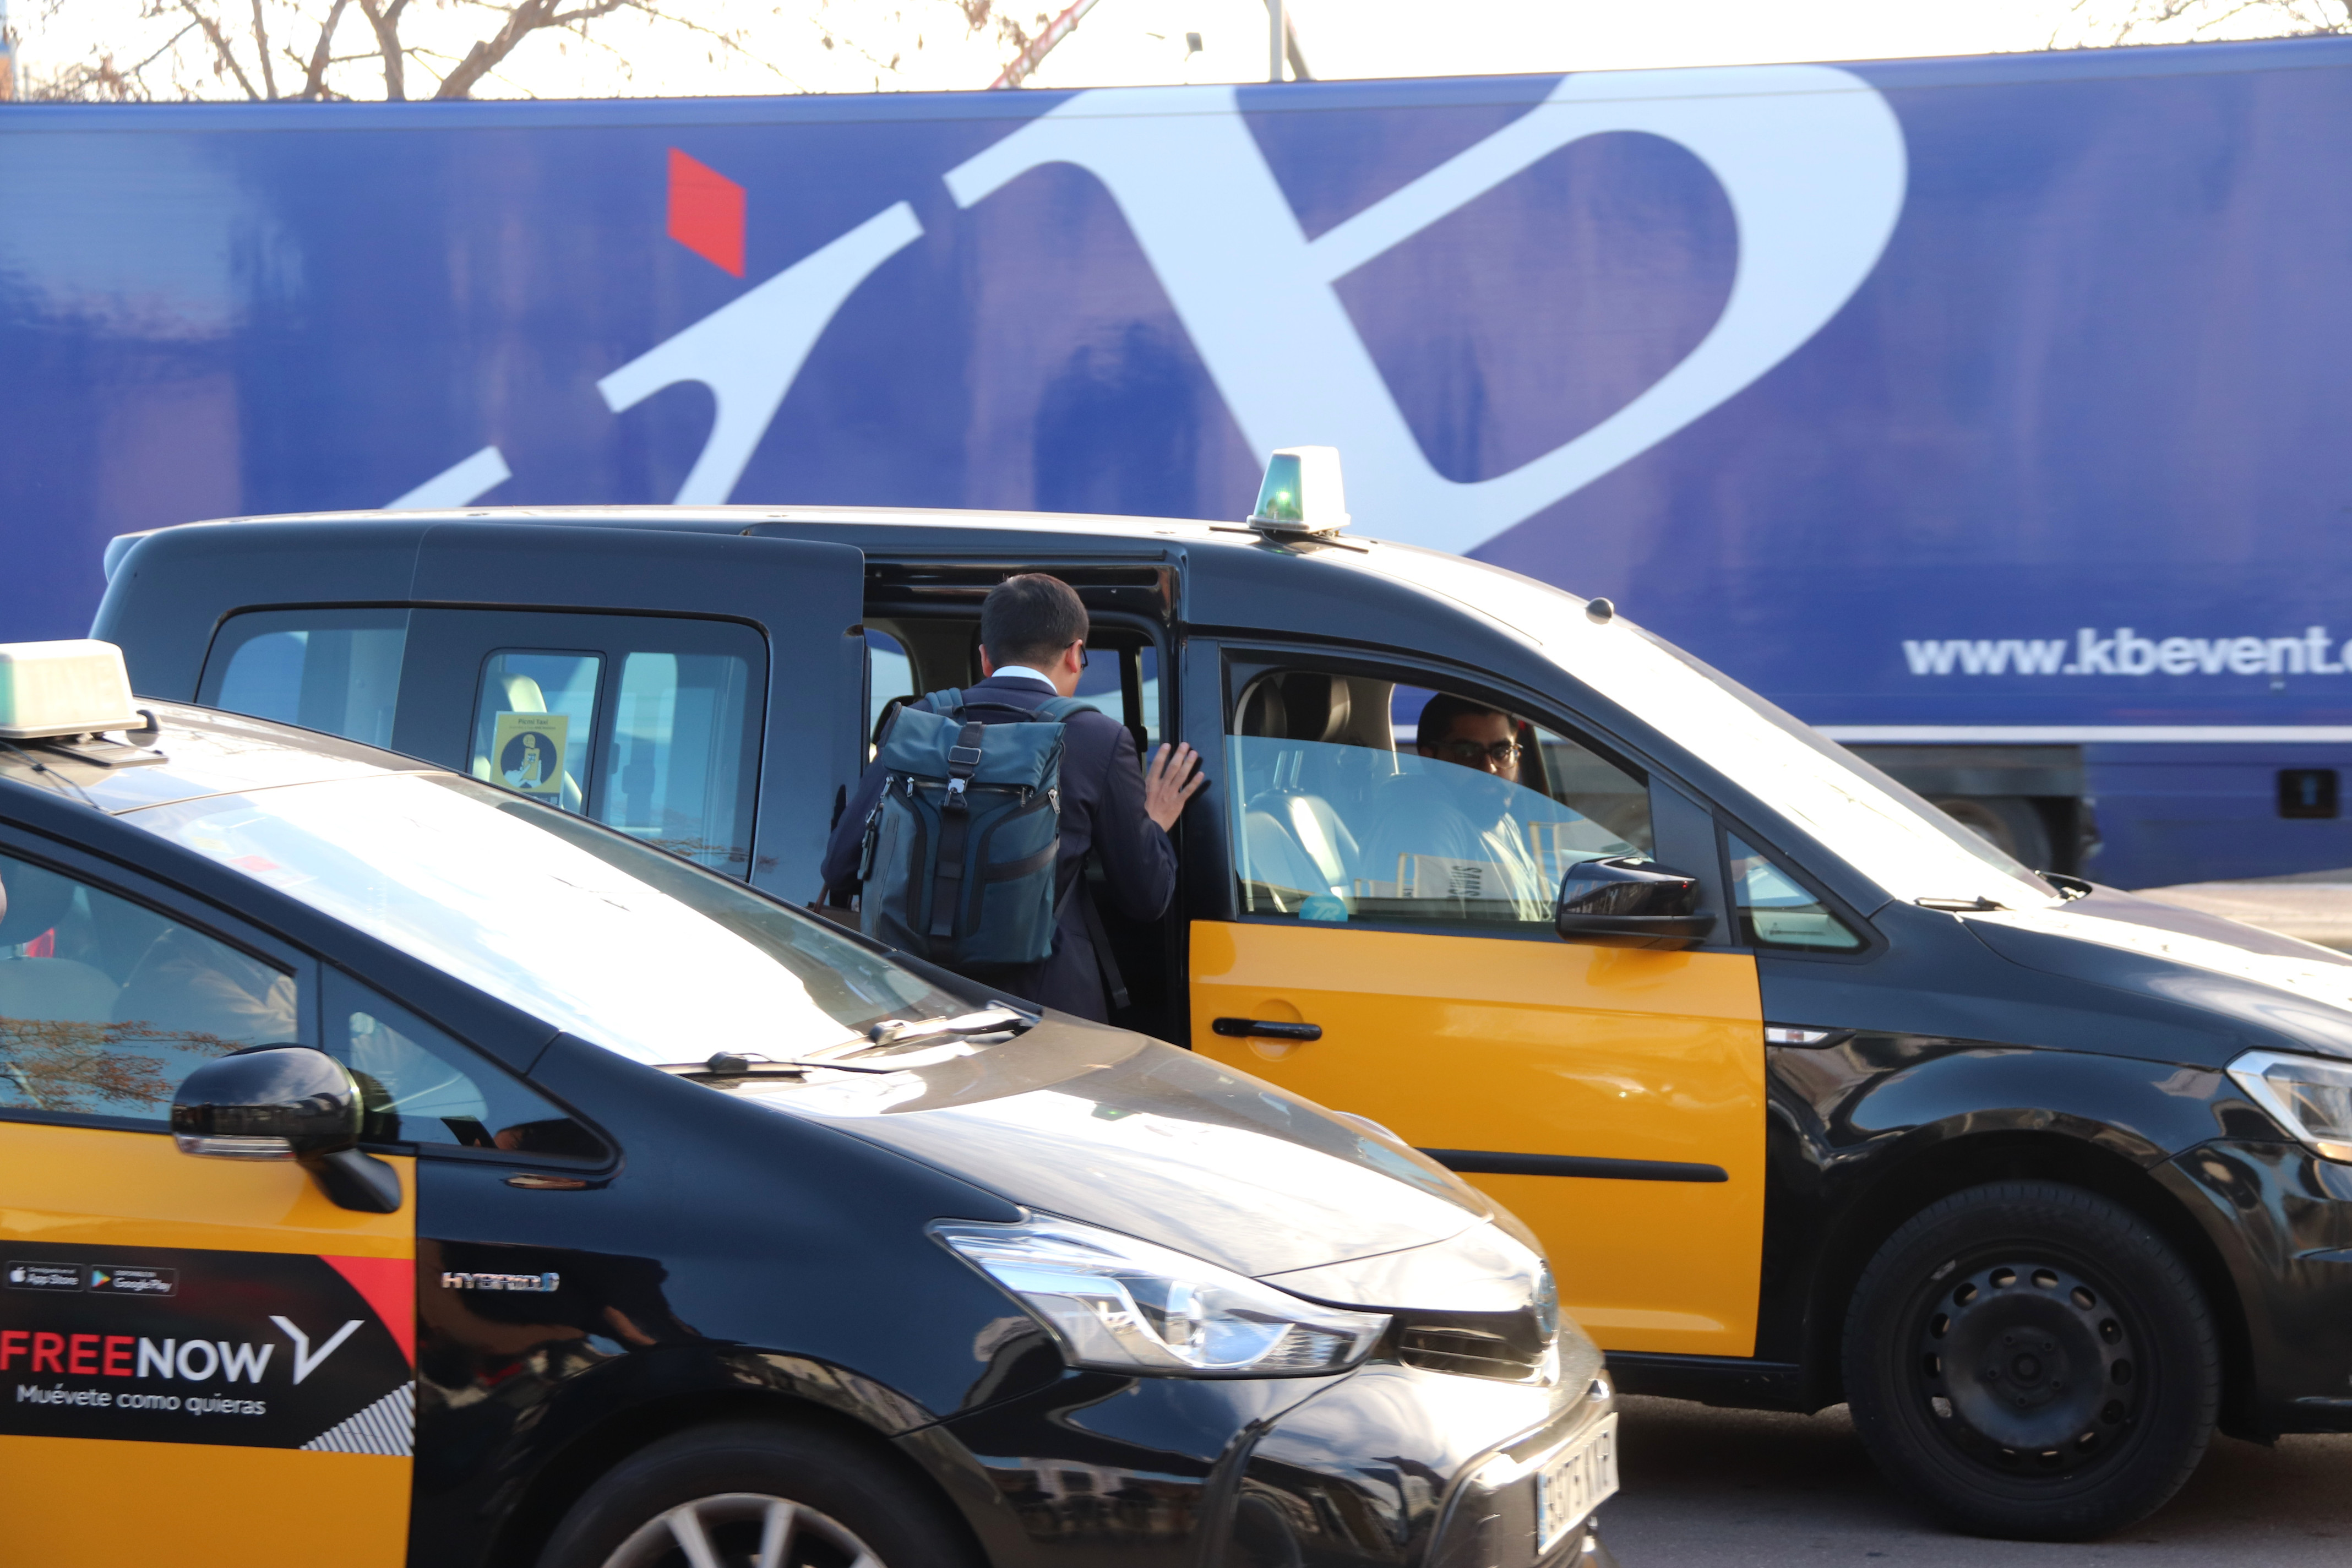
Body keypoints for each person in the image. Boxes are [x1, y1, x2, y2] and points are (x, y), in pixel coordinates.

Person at [820, 574, 1204, 1021]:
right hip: (1044, 1015)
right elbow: (1147, 898)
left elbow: (840, 868)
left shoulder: (916, 723)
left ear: (986, 658)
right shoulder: (1099, 739)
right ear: (1076, 654)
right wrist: (1153, 822)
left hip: (912, 1003)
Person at [1387, 692, 1553, 918]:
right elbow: (1429, 933)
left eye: (1502, 752)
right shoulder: (1428, 824)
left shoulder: (1500, 820)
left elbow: (1541, 904)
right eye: (1467, 753)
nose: (1489, 768)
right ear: (1430, 759)